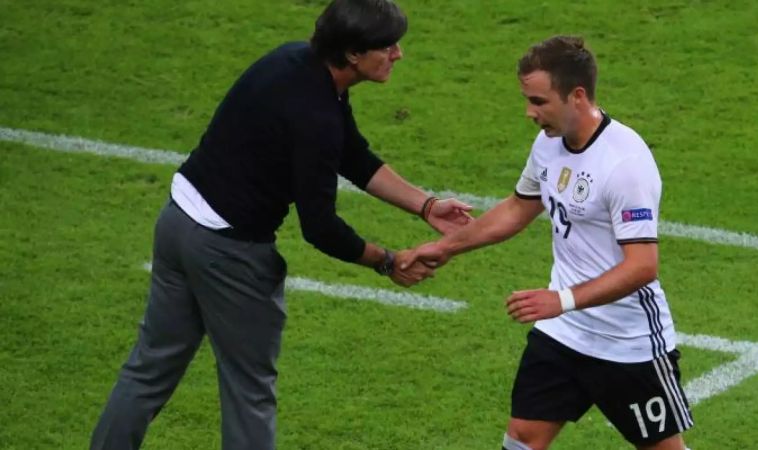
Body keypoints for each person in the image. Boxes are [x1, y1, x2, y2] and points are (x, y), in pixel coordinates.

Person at [89, 1, 472, 449]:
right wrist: (387, 262)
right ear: (352, 53)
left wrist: (425, 206)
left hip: (176, 224)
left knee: (148, 370)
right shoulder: (315, 115)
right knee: (250, 392)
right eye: (387, 46)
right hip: (229, 254)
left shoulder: (294, 61)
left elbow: (352, 153)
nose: (398, 54)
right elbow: (320, 227)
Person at [405, 36, 693, 450]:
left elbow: (642, 266)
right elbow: (518, 208)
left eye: (539, 101)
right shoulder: (548, 145)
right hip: (563, 333)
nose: (529, 112)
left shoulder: (625, 164)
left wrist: (563, 300)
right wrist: (446, 247)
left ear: (577, 96)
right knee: (522, 439)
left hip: (629, 343)